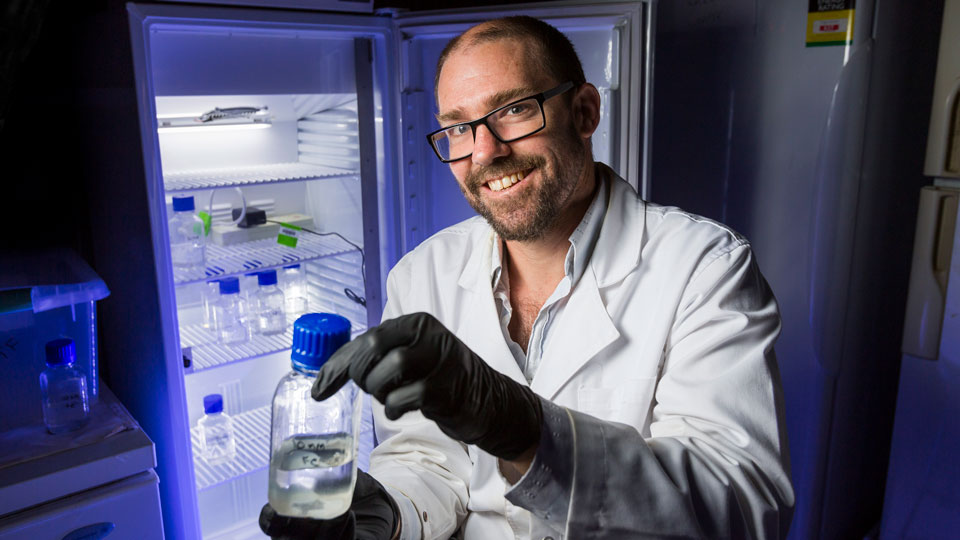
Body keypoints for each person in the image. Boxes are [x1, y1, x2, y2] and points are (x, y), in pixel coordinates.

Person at [261, 15, 794, 540]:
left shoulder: (704, 268)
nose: (485, 151)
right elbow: (428, 461)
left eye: (514, 110)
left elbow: (743, 509)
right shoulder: (422, 275)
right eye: (459, 128)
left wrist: (527, 432)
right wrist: (393, 514)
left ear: (584, 112)